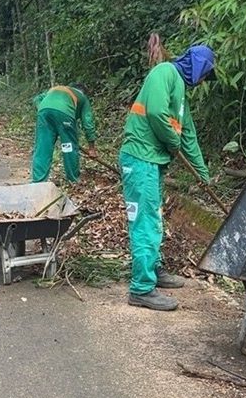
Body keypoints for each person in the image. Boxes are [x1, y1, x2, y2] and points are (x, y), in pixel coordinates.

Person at [119, 44, 215, 311]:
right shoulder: (164, 72)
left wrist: (202, 175)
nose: (204, 81)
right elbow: (156, 114)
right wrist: (172, 142)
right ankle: (141, 288)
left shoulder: (181, 93)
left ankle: (154, 268)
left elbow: (189, 138)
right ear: (198, 68)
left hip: (153, 162)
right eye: (205, 74)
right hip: (140, 159)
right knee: (146, 222)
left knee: (154, 219)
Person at [31, 83, 97, 183]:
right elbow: (87, 122)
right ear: (83, 92)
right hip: (65, 114)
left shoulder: (57, 89)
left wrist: (44, 110)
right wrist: (91, 147)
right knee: (68, 147)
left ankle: (38, 181)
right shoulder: (83, 98)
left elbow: (37, 99)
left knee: (43, 147)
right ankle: (73, 179)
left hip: (44, 112)